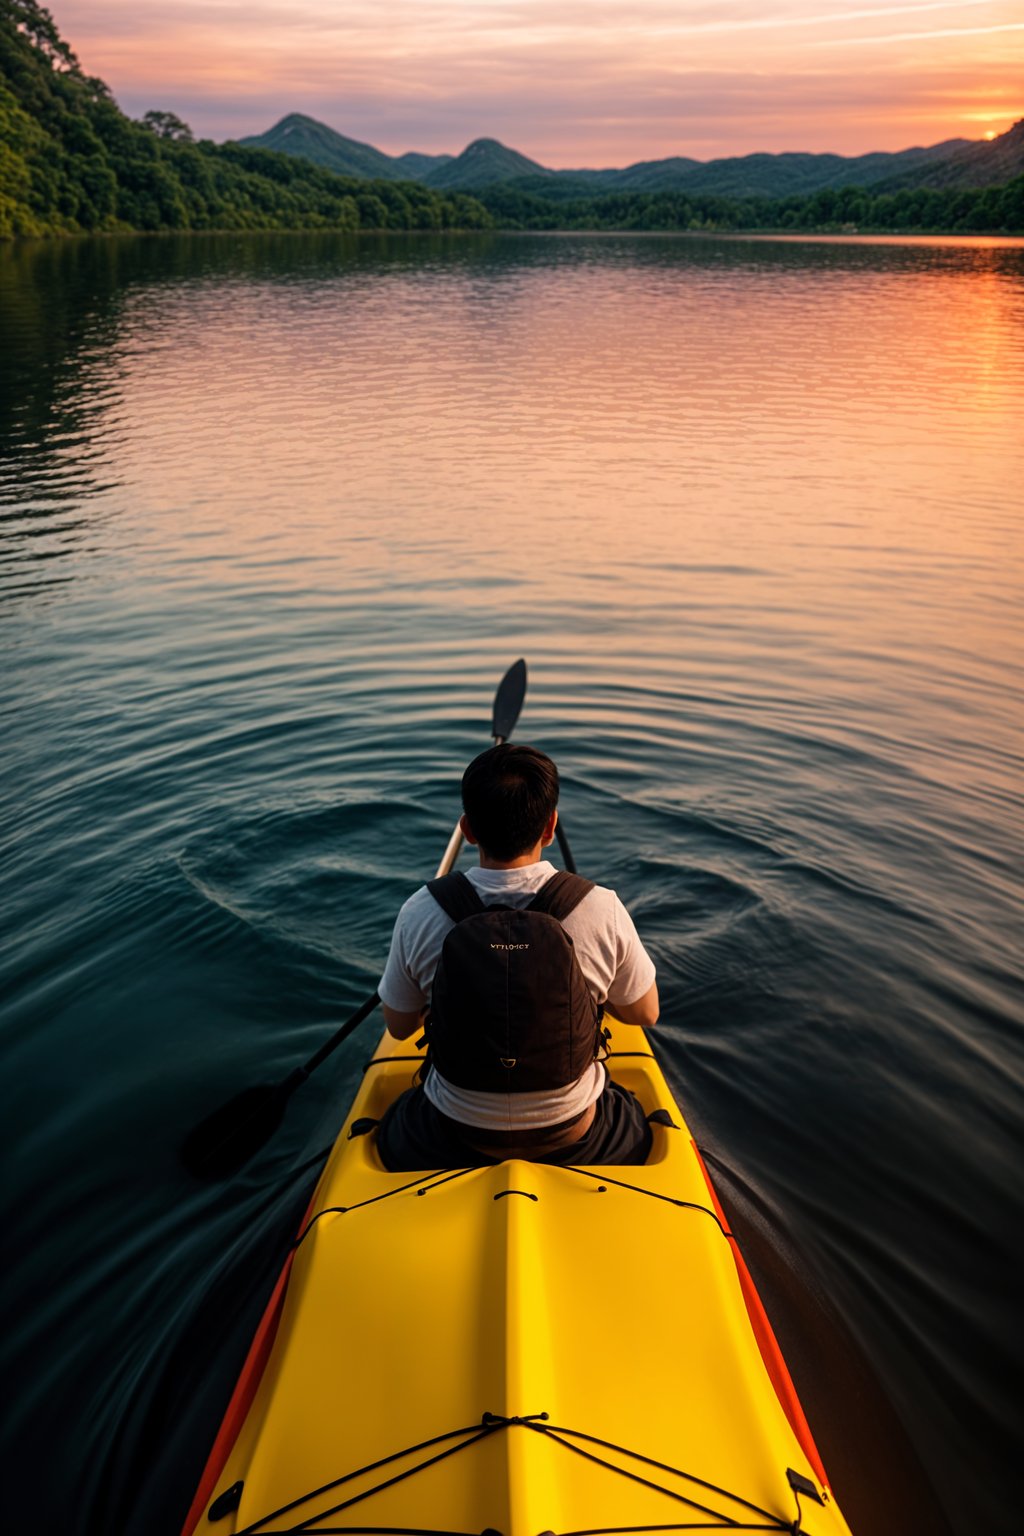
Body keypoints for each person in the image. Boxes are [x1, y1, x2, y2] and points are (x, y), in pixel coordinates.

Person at [375, 743, 659, 1170]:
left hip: (453, 1133)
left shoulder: (421, 910)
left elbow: (398, 1028)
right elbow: (645, 1014)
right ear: (550, 827)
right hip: (575, 1132)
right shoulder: (602, 908)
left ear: (467, 829)